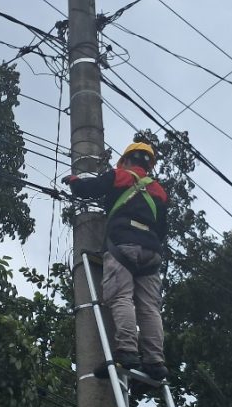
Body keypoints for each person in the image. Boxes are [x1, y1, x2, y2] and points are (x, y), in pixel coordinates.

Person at [63, 141, 169, 381]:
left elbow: (88, 189)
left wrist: (75, 181)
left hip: (123, 245)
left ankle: (127, 352)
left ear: (127, 160)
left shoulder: (119, 176)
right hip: (152, 252)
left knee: (121, 297)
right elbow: (162, 229)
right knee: (149, 307)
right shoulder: (159, 191)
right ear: (148, 166)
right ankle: (155, 361)